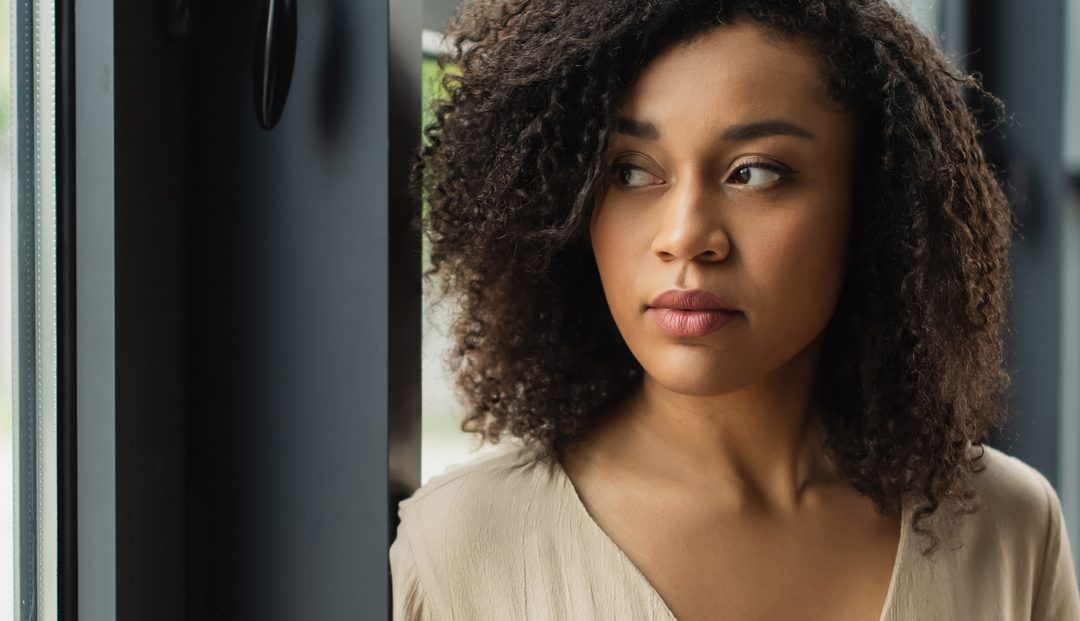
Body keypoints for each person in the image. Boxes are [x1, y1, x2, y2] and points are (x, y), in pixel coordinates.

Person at [391, 0, 1080, 618]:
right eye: (631, 170)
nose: (685, 235)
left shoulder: (1009, 527)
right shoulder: (462, 547)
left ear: (876, 205)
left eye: (754, 172)